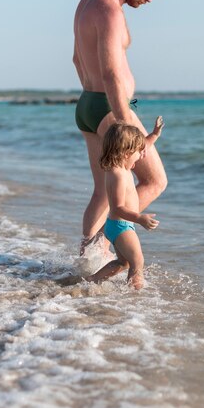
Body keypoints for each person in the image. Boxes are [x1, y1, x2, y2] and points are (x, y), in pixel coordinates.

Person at [73, 0, 167, 255]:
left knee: (103, 190)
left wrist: (94, 96)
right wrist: (125, 121)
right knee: (155, 181)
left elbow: (76, 59)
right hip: (111, 108)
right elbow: (112, 72)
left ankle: (87, 256)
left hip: (89, 104)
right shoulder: (110, 8)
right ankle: (101, 245)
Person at [86, 116, 164, 290]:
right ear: (125, 152)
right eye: (137, 152)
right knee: (138, 263)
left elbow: (145, 146)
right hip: (121, 225)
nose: (141, 155)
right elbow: (118, 207)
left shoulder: (121, 167)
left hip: (118, 226)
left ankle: (92, 281)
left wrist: (154, 135)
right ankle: (135, 296)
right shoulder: (118, 176)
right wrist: (140, 218)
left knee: (123, 263)